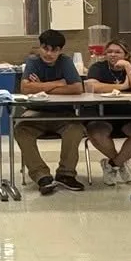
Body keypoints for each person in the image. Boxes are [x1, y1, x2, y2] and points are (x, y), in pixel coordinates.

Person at [14, 28, 84, 195]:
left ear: (60, 51)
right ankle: (41, 176)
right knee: (20, 130)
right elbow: (25, 88)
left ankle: (65, 174)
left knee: (76, 128)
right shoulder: (33, 61)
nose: (49, 53)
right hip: (36, 113)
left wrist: (40, 88)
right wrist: (59, 83)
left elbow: (77, 88)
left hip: (63, 114)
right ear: (40, 47)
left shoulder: (66, 62)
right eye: (45, 48)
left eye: (55, 50)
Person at [84, 41, 131, 186]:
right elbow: (92, 86)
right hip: (101, 113)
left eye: (117, 52)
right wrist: (122, 86)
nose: (113, 55)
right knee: (96, 133)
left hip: (128, 113)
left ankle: (112, 164)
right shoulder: (98, 67)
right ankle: (120, 164)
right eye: (109, 52)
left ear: (126, 55)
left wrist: (128, 67)